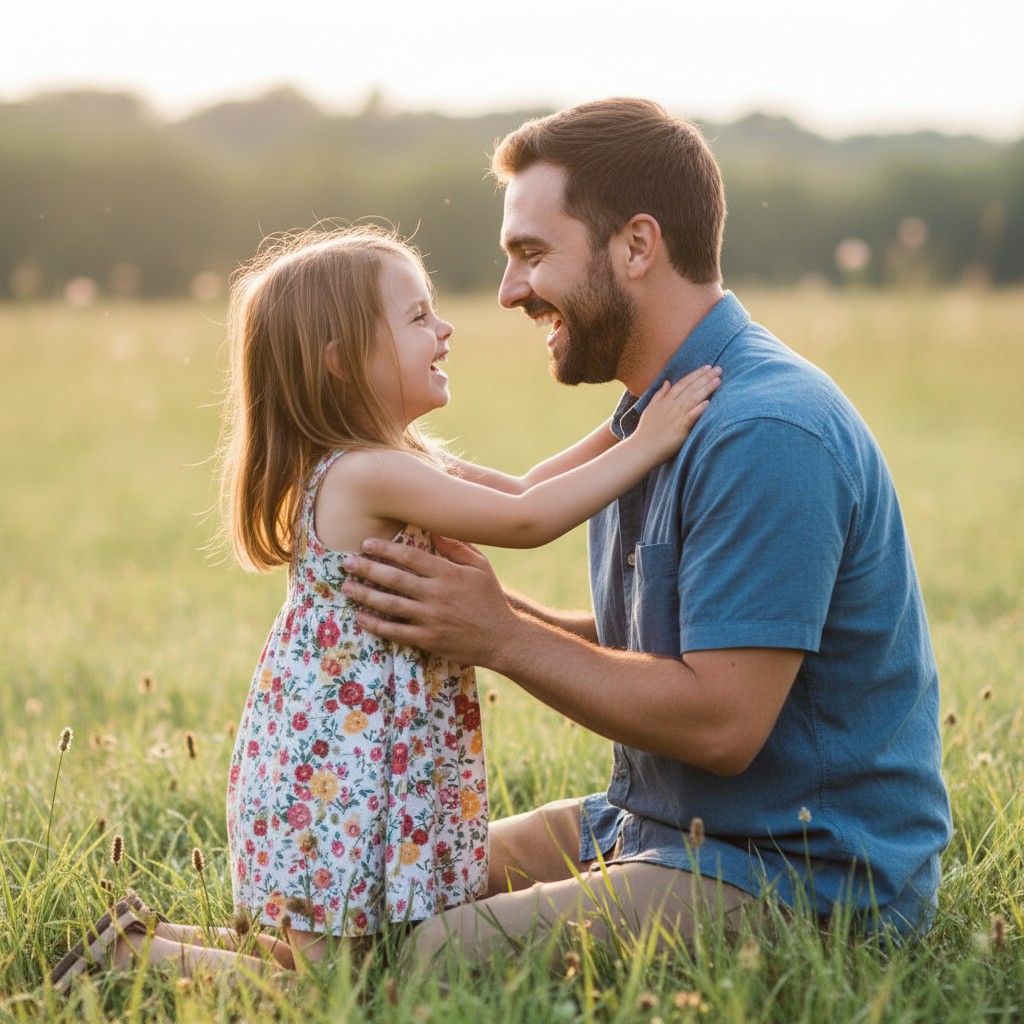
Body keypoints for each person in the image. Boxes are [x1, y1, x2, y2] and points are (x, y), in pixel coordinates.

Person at [337, 98, 954, 968]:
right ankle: (146, 952)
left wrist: (499, 635)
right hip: (660, 825)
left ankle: (153, 969)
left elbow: (719, 721)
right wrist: (473, 608)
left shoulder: (766, 431)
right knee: (388, 886)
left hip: (800, 873)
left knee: (437, 955)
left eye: (531, 254)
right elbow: (663, 642)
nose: (510, 290)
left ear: (636, 245)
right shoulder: (658, 412)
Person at [51, 223, 720, 991]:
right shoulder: (364, 474)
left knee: (344, 965)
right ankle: (140, 962)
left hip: (353, 763)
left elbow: (526, 485)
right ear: (342, 362)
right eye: (416, 319)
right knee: (330, 987)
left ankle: (146, 944)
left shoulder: (398, 459)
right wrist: (650, 442)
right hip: (340, 772)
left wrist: (627, 417)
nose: (445, 330)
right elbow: (531, 520)